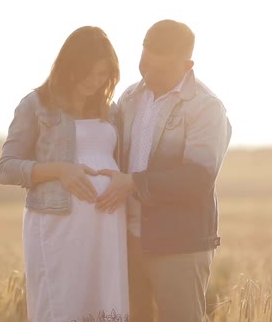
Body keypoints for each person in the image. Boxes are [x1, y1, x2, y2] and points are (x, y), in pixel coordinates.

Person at [96, 19, 232, 322]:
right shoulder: (129, 97)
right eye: (144, 65)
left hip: (179, 244)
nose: (148, 75)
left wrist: (133, 183)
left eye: (160, 70)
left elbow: (198, 178)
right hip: (127, 241)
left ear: (188, 65)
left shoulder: (206, 108)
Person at [0, 26, 129, 322]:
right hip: (57, 224)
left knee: (104, 305)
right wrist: (60, 170)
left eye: (103, 75)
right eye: (90, 73)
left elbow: (123, 164)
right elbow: (6, 168)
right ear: (70, 67)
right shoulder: (35, 105)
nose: (96, 82)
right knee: (60, 307)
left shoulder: (112, 111)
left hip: (107, 227)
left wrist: (123, 179)